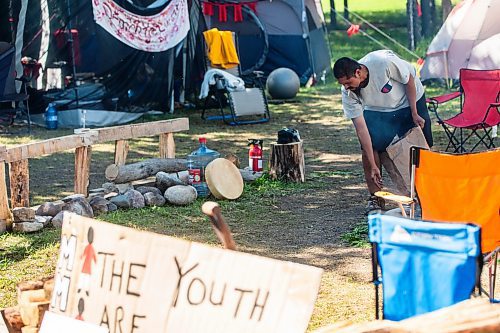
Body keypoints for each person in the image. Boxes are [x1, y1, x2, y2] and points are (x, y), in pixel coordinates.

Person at [333, 50, 433, 213]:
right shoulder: (348, 93)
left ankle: (427, 194)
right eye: (342, 84)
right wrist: (373, 165)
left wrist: (414, 113)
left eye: (348, 82)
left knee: (423, 146)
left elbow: (409, 81)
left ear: (358, 72)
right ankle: (376, 198)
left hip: (410, 99)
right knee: (370, 147)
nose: (346, 87)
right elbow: (361, 129)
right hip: (378, 108)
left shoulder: (382, 62)